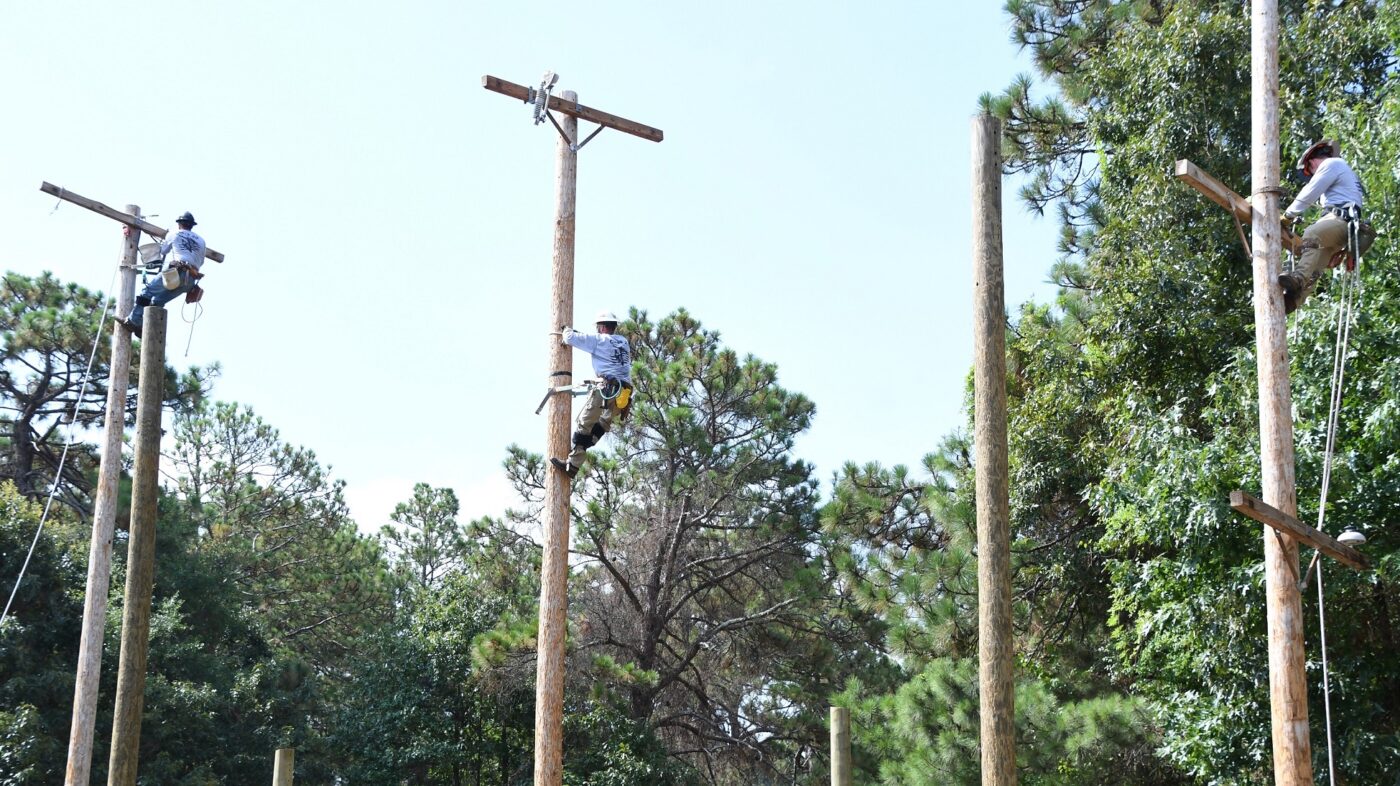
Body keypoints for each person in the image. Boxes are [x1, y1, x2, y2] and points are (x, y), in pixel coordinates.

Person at [1279, 140, 1375, 313]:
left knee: (1312, 233)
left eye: (1310, 169)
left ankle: (1298, 277)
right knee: (1316, 266)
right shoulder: (1341, 171)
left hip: (1341, 221)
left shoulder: (1332, 163)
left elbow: (1310, 191)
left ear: (1312, 160)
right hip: (1341, 225)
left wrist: (1288, 215)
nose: (1312, 173)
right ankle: (1293, 301)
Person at [550, 310, 633, 479]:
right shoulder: (623, 342)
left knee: (584, 424)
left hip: (606, 390)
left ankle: (572, 465)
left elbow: (569, 338)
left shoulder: (598, 340)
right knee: (601, 425)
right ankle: (582, 450)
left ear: (602, 327)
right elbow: (596, 341)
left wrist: (566, 329)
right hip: (623, 395)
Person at [120, 211, 206, 337]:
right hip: (191, 280)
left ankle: (133, 321)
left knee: (147, 292)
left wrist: (166, 241)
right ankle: (146, 328)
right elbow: (201, 261)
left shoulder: (174, 234)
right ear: (192, 225)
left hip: (177, 271)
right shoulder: (202, 241)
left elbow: (163, 250)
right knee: (158, 301)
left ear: (179, 224)